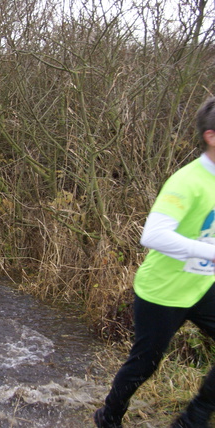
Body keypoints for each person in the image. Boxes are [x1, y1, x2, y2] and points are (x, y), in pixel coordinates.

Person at [94, 96, 215, 428]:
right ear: (211, 136)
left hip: (202, 286)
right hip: (162, 290)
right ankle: (108, 416)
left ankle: (194, 419)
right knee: (144, 364)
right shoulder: (187, 182)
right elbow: (154, 235)